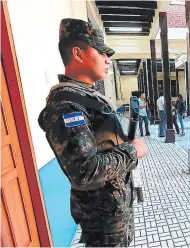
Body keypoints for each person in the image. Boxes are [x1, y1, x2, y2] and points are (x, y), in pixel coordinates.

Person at [38, 18, 148, 247]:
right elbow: (85, 172)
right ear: (78, 53)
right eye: (101, 52)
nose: (107, 59)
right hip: (102, 221)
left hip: (114, 211)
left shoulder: (87, 97)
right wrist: (132, 151)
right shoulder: (67, 104)